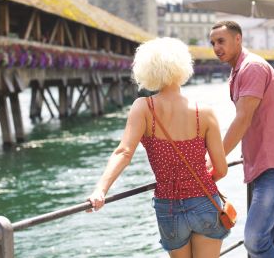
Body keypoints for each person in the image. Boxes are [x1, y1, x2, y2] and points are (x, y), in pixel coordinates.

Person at [87, 37, 230, 258]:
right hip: (204, 201)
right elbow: (221, 169)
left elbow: (124, 152)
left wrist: (101, 190)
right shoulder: (205, 112)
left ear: (146, 70)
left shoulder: (143, 108)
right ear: (183, 66)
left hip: (169, 207)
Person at [209, 21, 274, 258]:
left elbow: (242, 119)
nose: (216, 47)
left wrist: (216, 160)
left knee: (255, 239)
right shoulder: (240, 69)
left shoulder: (251, 68)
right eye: (213, 43)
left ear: (238, 39)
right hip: (268, 164)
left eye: (221, 41)